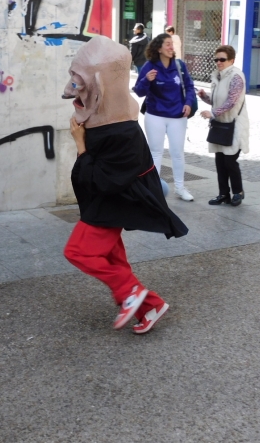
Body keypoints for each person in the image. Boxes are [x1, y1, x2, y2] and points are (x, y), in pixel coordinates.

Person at [61, 35, 188, 334]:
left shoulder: (124, 131)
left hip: (112, 204)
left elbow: (102, 181)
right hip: (107, 203)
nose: (74, 94)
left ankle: (130, 293)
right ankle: (151, 304)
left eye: (82, 84)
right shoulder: (107, 121)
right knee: (114, 260)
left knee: (78, 252)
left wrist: (80, 145)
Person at [133, 33, 197, 201]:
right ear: (158, 48)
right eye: (167, 44)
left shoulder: (179, 65)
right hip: (155, 116)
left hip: (178, 116)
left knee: (177, 153)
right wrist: (147, 80)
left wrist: (188, 103)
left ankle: (180, 188)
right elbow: (139, 91)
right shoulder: (149, 66)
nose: (171, 47)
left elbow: (190, 87)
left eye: (171, 44)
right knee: (156, 152)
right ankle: (154, 190)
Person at [198, 45, 249, 206]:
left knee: (230, 161)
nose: (219, 62)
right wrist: (205, 97)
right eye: (216, 59)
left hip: (234, 125)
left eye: (222, 59)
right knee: (220, 161)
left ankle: (238, 192)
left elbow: (231, 101)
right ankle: (223, 194)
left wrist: (212, 113)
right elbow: (216, 101)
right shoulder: (217, 76)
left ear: (231, 60)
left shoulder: (236, 77)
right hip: (220, 125)